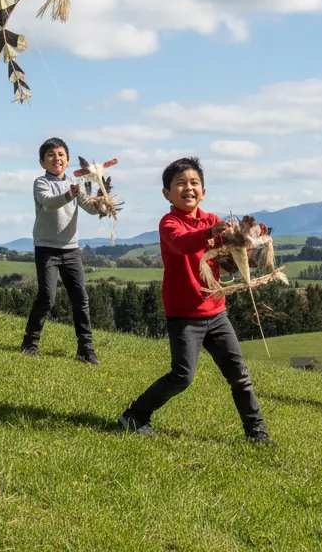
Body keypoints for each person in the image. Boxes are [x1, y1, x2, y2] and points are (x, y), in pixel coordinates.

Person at [119, 157, 272, 444]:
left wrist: (250, 240)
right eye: (180, 183)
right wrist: (209, 234)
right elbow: (181, 243)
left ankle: (257, 434)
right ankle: (135, 415)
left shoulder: (213, 219)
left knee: (239, 375)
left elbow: (229, 254)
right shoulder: (169, 223)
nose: (188, 188)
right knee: (182, 376)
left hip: (216, 312)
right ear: (167, 193)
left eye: (194, 183)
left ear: (203, 191)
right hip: (184, 314)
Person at [21, 137, 103, 364]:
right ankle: (30, 343)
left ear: (67, 161)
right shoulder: (41, 183)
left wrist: (102, 206)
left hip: (71, 250)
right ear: (42, 162)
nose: (56, 159)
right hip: (46, 248)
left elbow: (89, 207)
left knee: (80, 298)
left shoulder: (74, 186)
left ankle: (85, 349)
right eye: (51, 155)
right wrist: (69, 194)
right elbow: (48, 202)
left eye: (61, 155)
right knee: (47, 297)